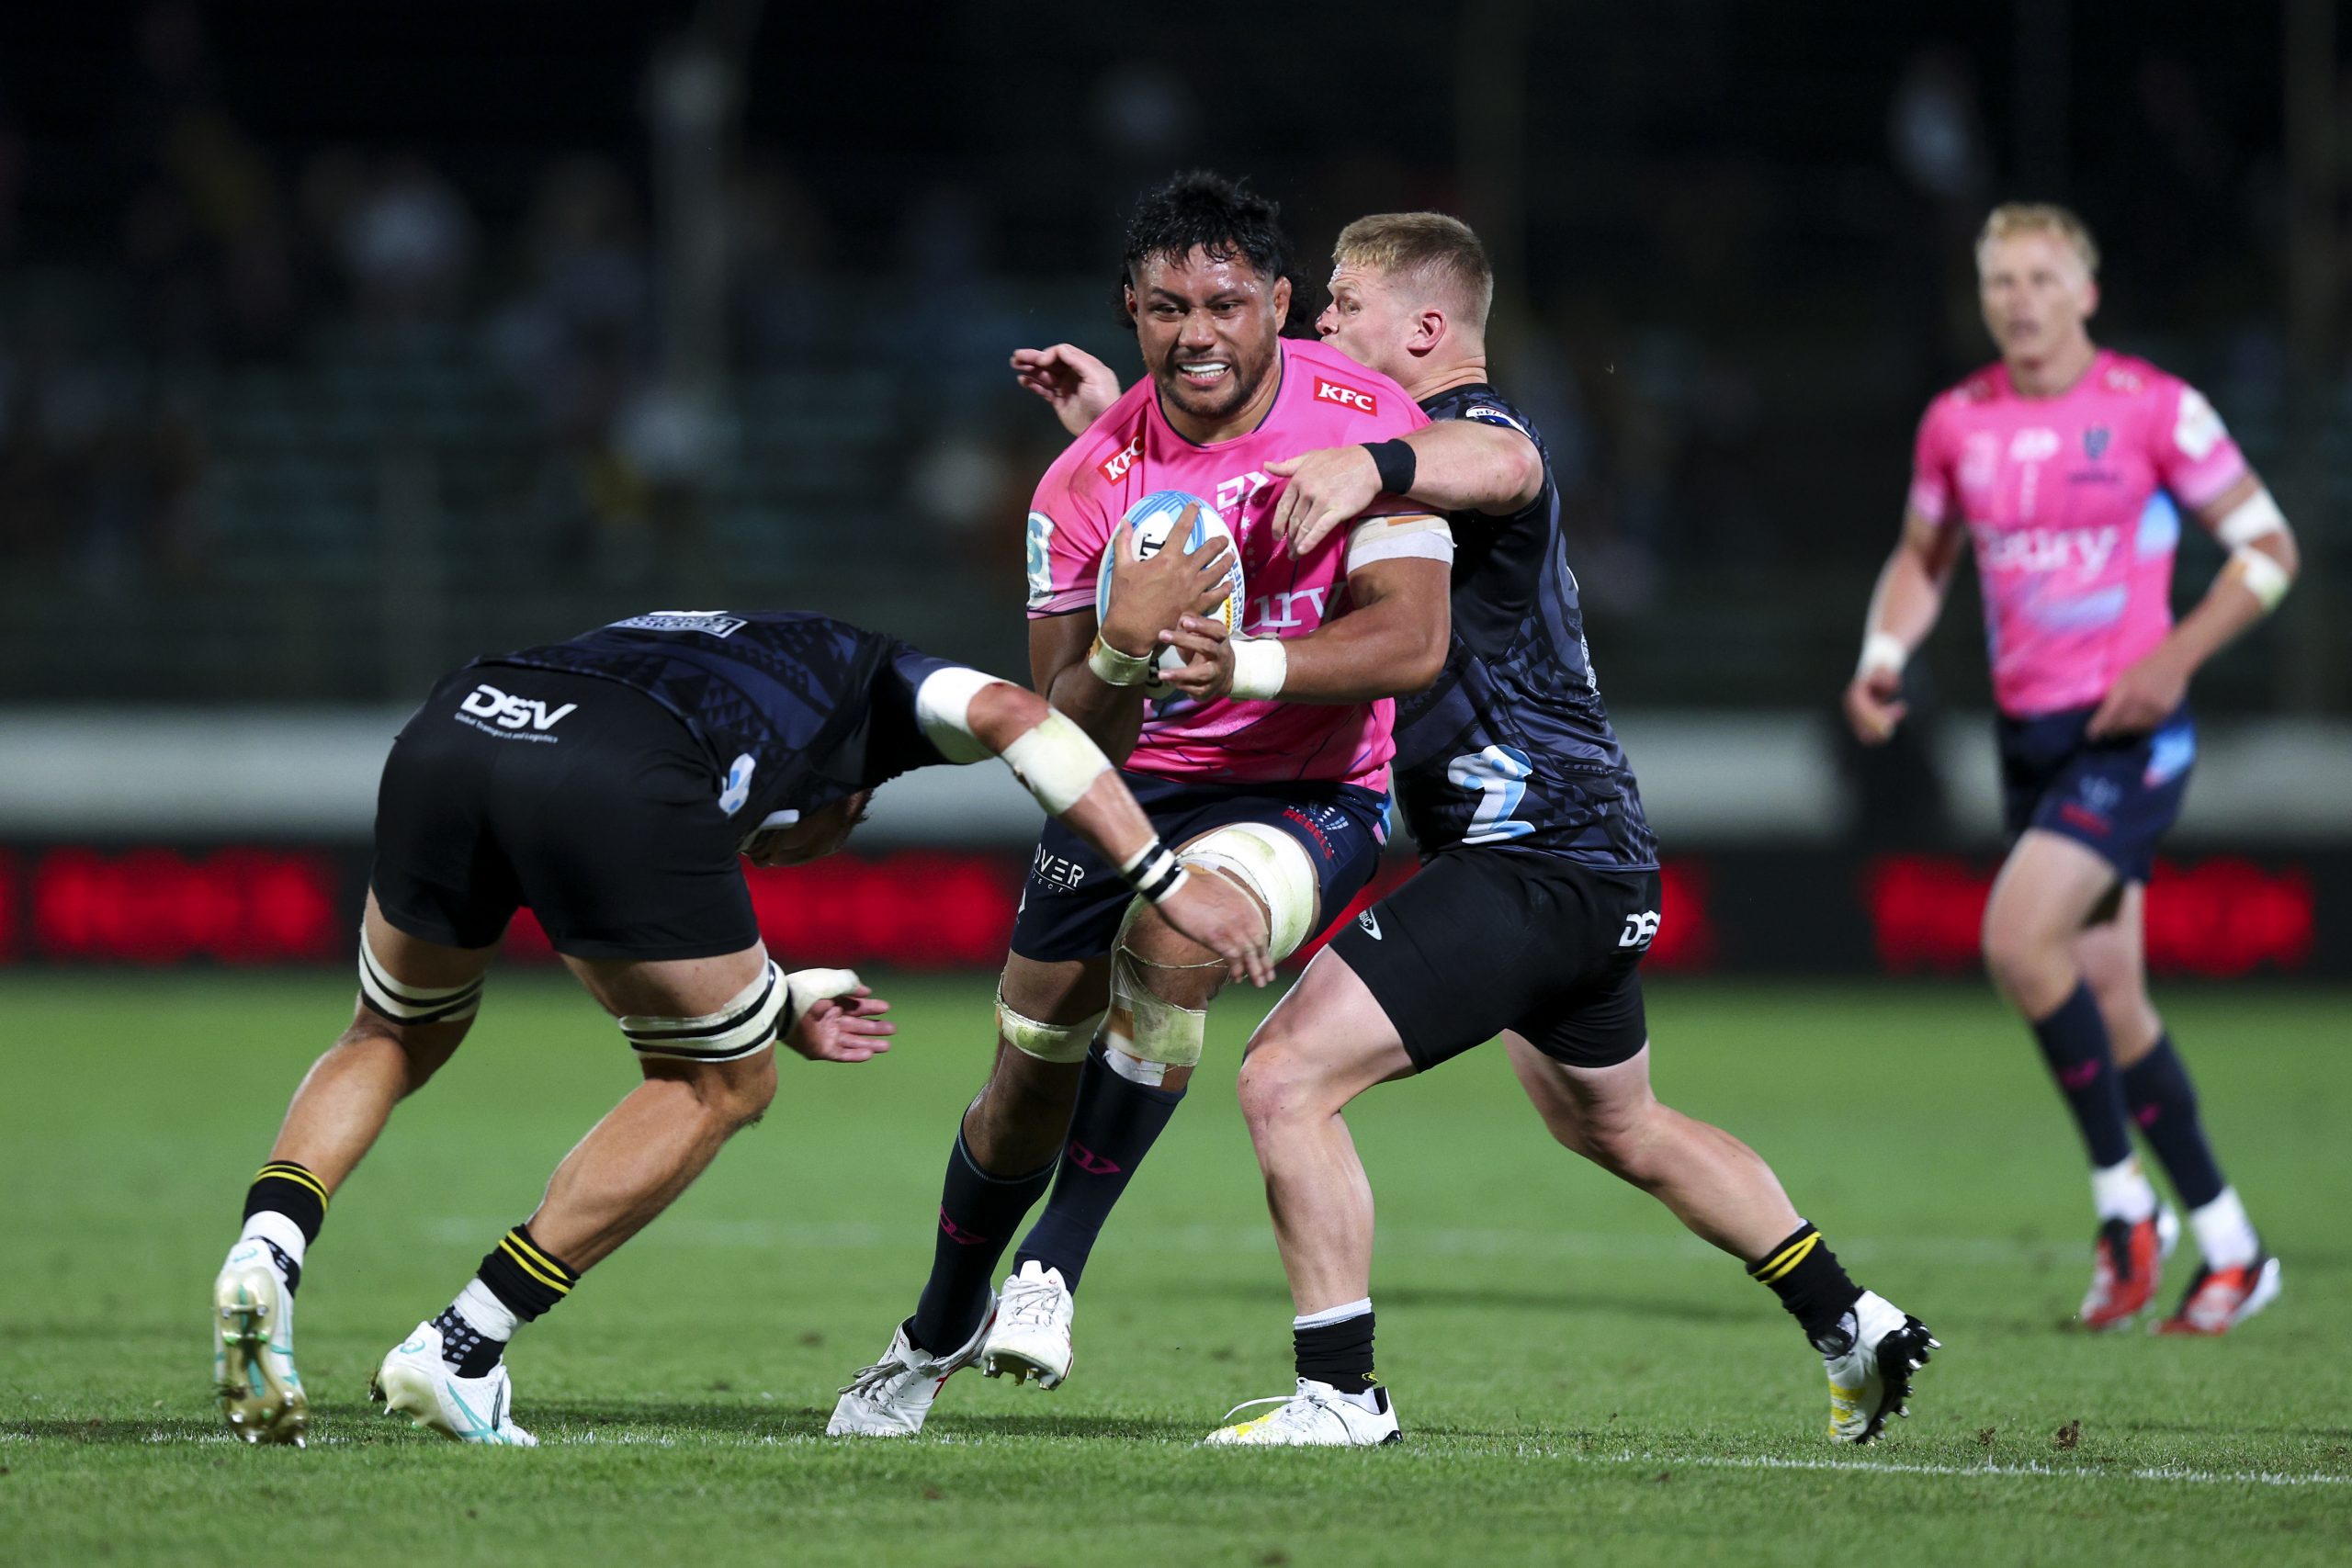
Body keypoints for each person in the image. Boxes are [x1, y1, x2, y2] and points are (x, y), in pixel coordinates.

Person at [1009, 213, 1939, 1448]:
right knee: (1615, 1122)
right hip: (1592, 852)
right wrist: (1123, 415)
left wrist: (1375, 469)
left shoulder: (1467, 438)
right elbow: (1242, 476)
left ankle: (1342, 1393)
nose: (1324, 325)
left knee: (1286, 1079)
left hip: (1533, 852)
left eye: (1345, 304)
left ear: (1428, 329)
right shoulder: (1378, 442)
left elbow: (1504, 466)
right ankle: (1853, 1318)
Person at [210, 608, 1272, 1447]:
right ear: (850, 805)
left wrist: (766, 1000)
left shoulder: (715, 649)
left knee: (389, 1031)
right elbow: (1030, 721)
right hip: (618, 768)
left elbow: (609, 947)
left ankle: (269, 1249)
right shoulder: (883, 683)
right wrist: (1166, 878)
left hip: (465, 721)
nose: (768, 852)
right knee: (724, 1084)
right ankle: (461, 1347)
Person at [827, 172, 1454, 1438]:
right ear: (1130, 311)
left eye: (1227, 301)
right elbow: (1051, 728)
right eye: (1168, 306)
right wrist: (1119, 650)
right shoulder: (1080, 482)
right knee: (1025, 1076)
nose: (1199, 331)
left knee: (1176, 938)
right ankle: (941, 1318)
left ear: (1283, 303)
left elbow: (1412, 640)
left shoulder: (1365, 421)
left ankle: (1054, 1261)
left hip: (1309, 786)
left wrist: (1248, 664)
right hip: (1124, 791)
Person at [1844, 203, 2297, 1334]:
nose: (2020, 300)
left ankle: (2121, 1205)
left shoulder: (2154, 410)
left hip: (2131, 731)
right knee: (2111, 993)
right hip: (2029, 737)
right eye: (2001, 281)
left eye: (2043, 278)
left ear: (2087, 293)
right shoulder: (1958, 423)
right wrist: (1884, 656)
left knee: (2014, 937)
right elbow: (1921, 554)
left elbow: (2269, 550)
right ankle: (2233, 1247)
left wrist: (2173, 658)